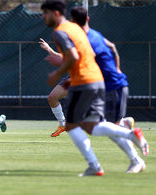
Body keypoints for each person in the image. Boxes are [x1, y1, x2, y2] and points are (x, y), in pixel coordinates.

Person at [41, 0, 149, 176]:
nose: (43, 16)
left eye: (45, 13)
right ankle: (129, 136)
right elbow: (88, 54)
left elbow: (74, 56)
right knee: (91, 125)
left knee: (72, 125)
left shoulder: (61, 32)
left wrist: (57, 71)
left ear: (56, 13)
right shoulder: (77, 29)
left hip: (85, 81)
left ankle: (97, 164)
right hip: (97, 80)